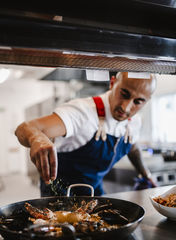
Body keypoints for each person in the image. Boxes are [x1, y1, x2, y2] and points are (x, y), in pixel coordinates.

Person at [15, 72, 157, 196]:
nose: (126, 107)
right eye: (124, 94)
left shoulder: (134, 121)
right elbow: (25, 128)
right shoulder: (83, 112)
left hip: (93, 190)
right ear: (113, 83)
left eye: (138, 102)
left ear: (146, 101)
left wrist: (146, 174)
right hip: (60, 194)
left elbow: (133, 148)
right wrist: (36, 138)